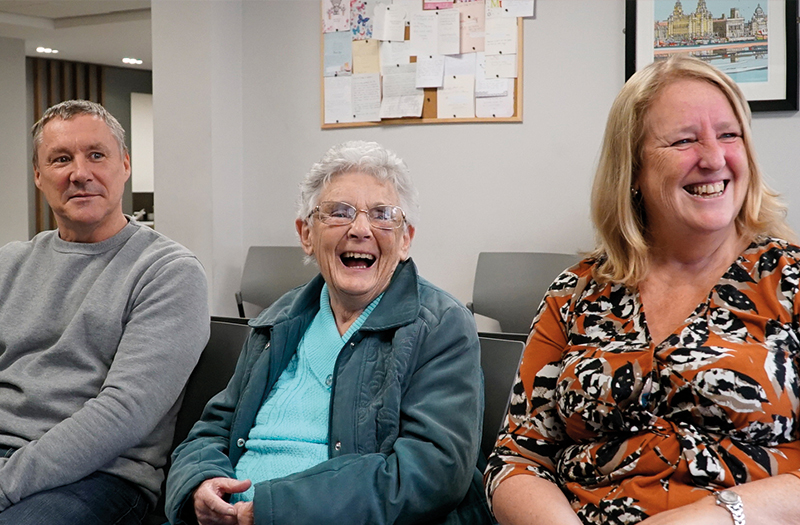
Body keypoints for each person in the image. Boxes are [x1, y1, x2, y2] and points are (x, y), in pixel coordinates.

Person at [484, 55, 800, 525]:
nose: (714, 158)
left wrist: (719, 514)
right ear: (632, 170)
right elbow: (515, 459)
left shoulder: (791, 281)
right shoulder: (575, 291)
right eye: (684, 140)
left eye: (729, 134)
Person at [165, 141, 490, 525]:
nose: (360, 229)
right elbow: (213, 428)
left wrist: (273, 511)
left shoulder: (440, 325)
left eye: (382, 215)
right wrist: (200, 484)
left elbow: (431, 473)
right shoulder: (279, 320)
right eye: (339, 212)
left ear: (405, 240)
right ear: (306, 234)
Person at [0, 100, 210, 524]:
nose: (80, 173)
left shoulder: (167, 271)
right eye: (61, 159)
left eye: (96, 155)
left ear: (125, 165)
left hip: (101, 478)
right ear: (39, 176)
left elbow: (122, 415)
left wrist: (5, 484)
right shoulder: (10, 263)